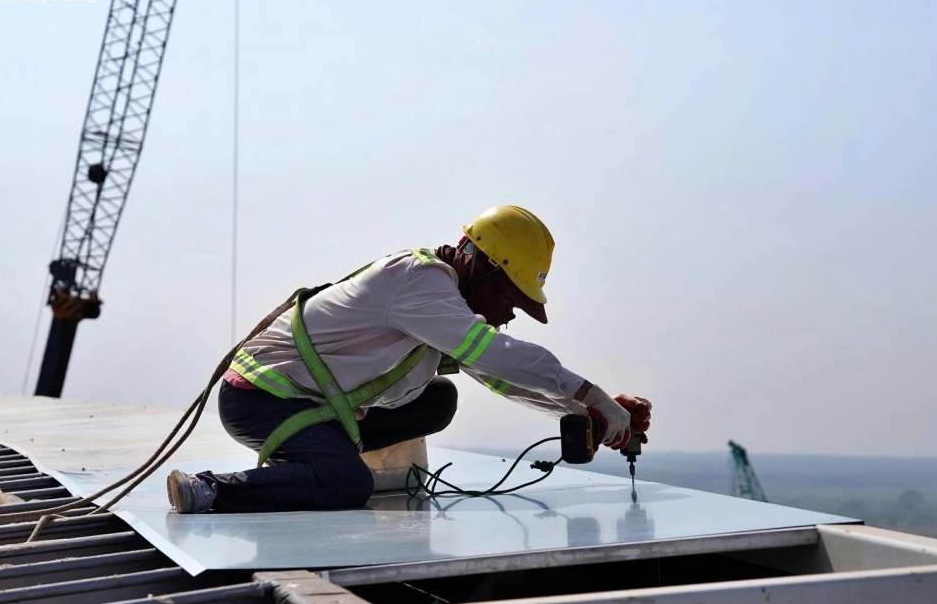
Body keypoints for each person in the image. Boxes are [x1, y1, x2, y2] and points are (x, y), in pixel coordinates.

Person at [166, 206, 652, 513]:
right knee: (346, 485)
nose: (509, 315)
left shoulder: (444, 307)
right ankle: (211, 490)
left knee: (438, 401)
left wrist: (584, 411)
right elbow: (495, 354)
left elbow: (501, 377)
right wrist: (590, 393)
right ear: (478, 264)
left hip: (314, 407)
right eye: (510, 298)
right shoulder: (421, 282)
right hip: (261, 398)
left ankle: (322, 460)